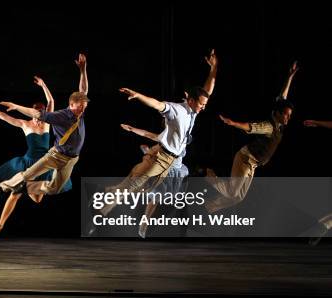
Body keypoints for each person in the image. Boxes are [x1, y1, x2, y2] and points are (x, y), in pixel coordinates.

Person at [93, 50, 218, 226]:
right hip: (163, 157)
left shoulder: (193, 112)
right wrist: (138, 96)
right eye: (201, 104)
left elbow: (207, 90)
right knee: (137, 185)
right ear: (191, 100)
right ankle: (104, 201)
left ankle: (106, 201)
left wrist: (214, 68)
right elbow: (157, 104)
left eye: (204, 105)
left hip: (171, 162)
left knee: (149, 190)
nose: (203, 108)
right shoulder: (177, 110)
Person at [0, 54, 88, 209]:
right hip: (53, 156)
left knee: (55, 188)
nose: (83, 109)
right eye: (80, 106)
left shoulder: (77, 112)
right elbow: (19, 115)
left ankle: (24, 188)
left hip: (71, 159)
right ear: (71, 105)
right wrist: (15, 107)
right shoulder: (54, 117)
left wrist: (83, 69)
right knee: (26, 175)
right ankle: (1, 189)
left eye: (84, 106)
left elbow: (82, 91)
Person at [0, 76, 71, 236]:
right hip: (28, 162)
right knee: (15, 194)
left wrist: (43, 85)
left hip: (45, 163)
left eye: (42, 114)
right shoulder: (25, 124)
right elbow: (5, 116)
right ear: (33, 113)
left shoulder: (48, 122)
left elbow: (51, 101)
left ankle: (23, 186)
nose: (40, 118)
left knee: (37, 200)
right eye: (37, 114)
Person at [205, 61, 298, 213]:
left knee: (239, 196)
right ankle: (207, 175)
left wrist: (290, 77)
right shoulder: (269, 127)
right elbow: (251, 127)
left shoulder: (280, 122)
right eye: (286, 115)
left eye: (289, 116)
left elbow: (283, 97)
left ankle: (210, 206)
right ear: (279, 114)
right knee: (233, 192)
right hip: (245, 159)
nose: (288, 118)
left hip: (253, 164)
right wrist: (233, 123)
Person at [120, 123, 189, 238]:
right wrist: (132, 129)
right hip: (164, 169)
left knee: (174, 200)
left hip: (176, 171)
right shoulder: (165, 137)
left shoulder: (182, 137)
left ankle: (180, 227)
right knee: (155, 198)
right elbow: (147, 134)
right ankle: (144, 223)